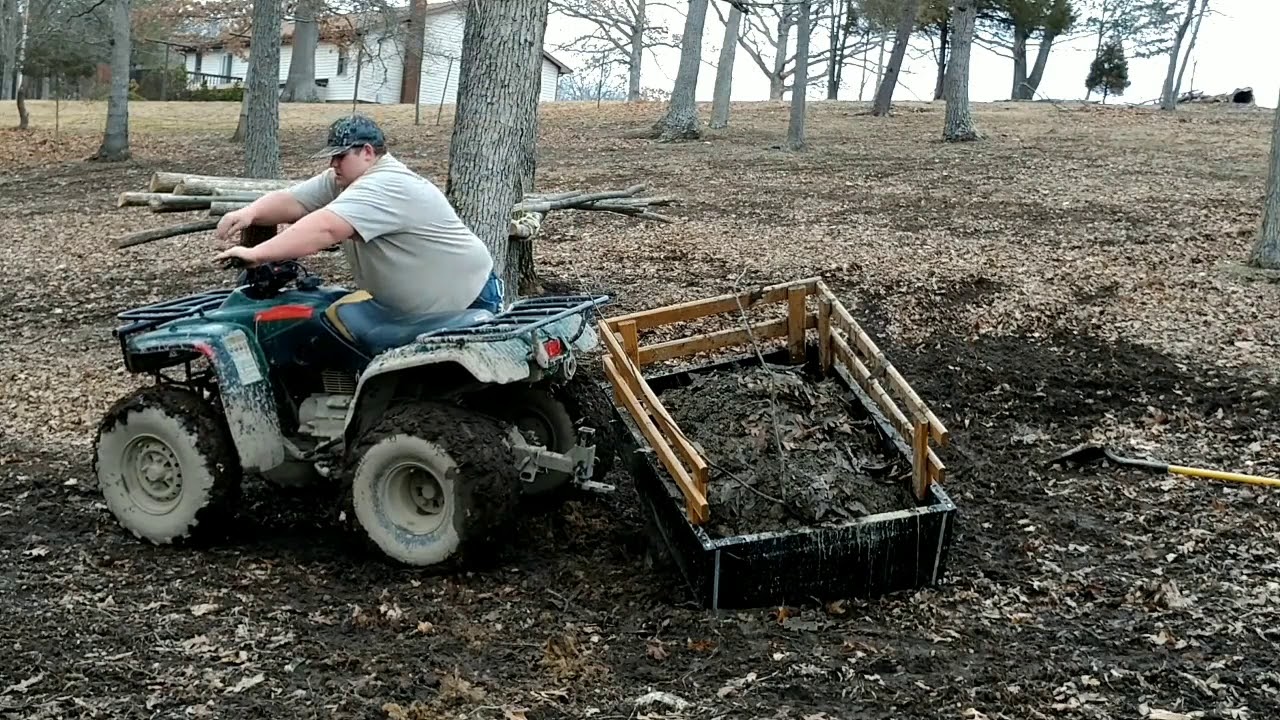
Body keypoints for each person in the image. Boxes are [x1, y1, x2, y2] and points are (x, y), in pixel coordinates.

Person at [213, 114, 503, 315]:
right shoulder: (344, 179)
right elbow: (294, 201)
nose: (333, 163)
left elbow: (326, 228)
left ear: (367, 152)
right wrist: (250, 213)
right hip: (416, 310)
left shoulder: (386, 184)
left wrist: (257, 254)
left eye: (340, 155)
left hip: (467, 302)